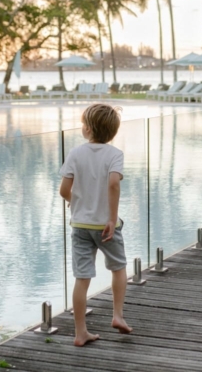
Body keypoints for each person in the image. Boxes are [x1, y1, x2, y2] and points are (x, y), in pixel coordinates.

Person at [58, 103, 131, 347]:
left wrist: (75, 202)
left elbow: (64, 191)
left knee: (82, 278)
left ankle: (80, 333)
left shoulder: (75, 153)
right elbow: (113, 184)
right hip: (106, 226)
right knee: (118, 268)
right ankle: (117, 315)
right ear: (111, 132)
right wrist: (111, 218)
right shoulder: (115, 155)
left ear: (88, 129)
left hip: (80, 225)